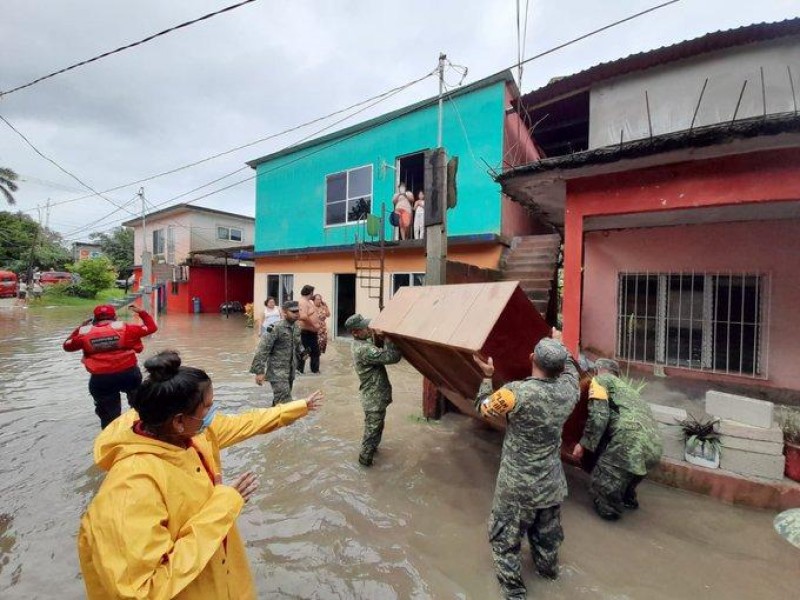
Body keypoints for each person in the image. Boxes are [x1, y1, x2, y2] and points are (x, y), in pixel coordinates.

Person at [77, 350, 324, 599]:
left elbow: (248, 423)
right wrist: (224, 504)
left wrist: (299, 407)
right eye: (207, 407)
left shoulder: (190, 434)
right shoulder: (130, 488)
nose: (213, 413)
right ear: (178, 421)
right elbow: (140, 591)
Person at [472, 330, 579, 600]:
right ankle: (548, 577)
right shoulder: (570, 391)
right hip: (551, 487)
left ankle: (515, 593)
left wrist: (487, 376)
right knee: (547, 544)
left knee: (504, 545)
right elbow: (571, 369)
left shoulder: (514, 394)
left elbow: (483, 408)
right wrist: (562, 345)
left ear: (531, 357)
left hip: (516, 490)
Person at [572, 358, 663, 521]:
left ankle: (610, 513)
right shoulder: (629, 391)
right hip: (655, 445)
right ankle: (627, 497)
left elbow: (599, 416)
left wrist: (584, 444)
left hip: (629, 438)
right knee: (626, 473)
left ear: (598, 370)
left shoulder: (601, 380)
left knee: (602, 484)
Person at [63, 304, 158, 428]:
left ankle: (111, 438)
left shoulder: (84, 333)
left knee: (109, 416)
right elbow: (151, 327)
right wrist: (142, 313)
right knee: (140, 406)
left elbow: (66, 346)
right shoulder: (126, 328)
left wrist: (80, 328)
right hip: (129, 374)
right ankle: (143, 429)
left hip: (101, 379)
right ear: (115, 317)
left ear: (94, 319)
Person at [345, 313, 402, 467]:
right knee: (371, 434)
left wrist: (377, 333)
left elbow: (372, 341)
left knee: (376, 428)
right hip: (373, 399)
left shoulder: (360, 343)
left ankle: (372, 454)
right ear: (355, 332)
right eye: (365, 328)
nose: (368, 329)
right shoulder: (363, 349)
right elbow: (393, 356)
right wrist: (390, 336)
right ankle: (364, 464)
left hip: (373, 396)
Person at [249, 300, 304, 405]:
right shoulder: (275, 328)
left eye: (298, 311)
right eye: (293, 312)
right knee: (285, 402)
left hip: (290, 371)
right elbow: (262, 349)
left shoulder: (296, 327)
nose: (297, 314)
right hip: (277, 372)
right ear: (284, 312)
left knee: (279, 402)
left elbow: (297, 343)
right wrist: (259, 372)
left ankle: (272, 420)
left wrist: (302, 352)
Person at [297, 284, 321, 374]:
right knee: (304, 353)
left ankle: (315, 371)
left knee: (315, 352)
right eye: (312, 292)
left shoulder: (308, 302)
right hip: (306, 332)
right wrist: (314, 325)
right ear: (310, 292)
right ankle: (299, 371)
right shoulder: (302, 302)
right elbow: (303, 317)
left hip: (311, 333)